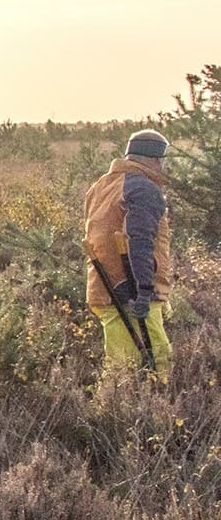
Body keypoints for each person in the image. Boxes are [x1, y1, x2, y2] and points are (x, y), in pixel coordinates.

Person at [82, 129, 174, 374]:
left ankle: (121, 407)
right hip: (130, 291)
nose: (163, 166)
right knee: (157, 360)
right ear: (153, 159)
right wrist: (144, 290)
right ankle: (138, 410)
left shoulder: (101, 186)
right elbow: (139, 240)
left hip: (107, 287)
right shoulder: (143, 189)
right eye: (162, 160)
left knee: (123, 365)